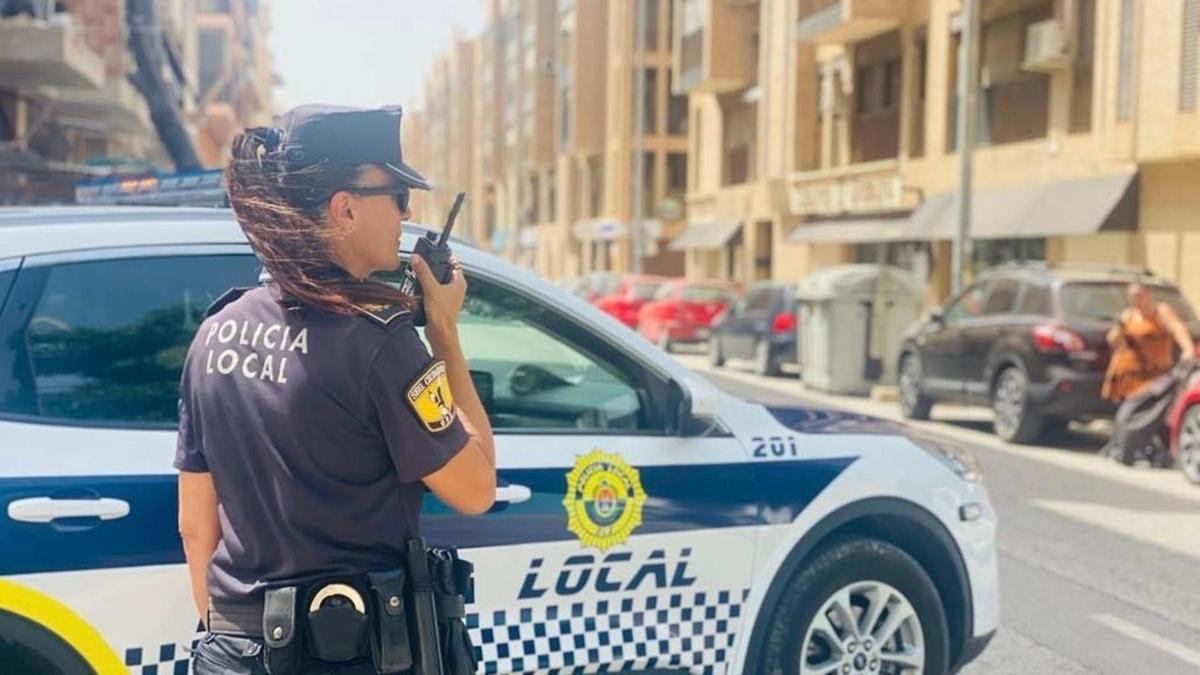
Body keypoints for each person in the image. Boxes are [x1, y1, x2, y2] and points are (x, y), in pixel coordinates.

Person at [175, 104, 496, 674]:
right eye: (396, 194)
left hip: (230, 655)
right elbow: (476, 488)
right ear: (344, 208)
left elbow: (197, 528)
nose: (407, 212)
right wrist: (444, 332)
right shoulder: (379, 342)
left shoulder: (215, 331)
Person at [1102, 281, 1195, 404]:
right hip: (1128, 375)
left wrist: (1188, 348)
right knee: (1128, 410)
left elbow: (1177, 328)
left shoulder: (1160, 311)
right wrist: (1120, 325)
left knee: (1149, 407)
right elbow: (1112, 340)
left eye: (1139, 295)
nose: (1136, 299)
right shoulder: (1129, 314)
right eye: (1133, 296)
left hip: (1152, 374)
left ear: (1148, 294)